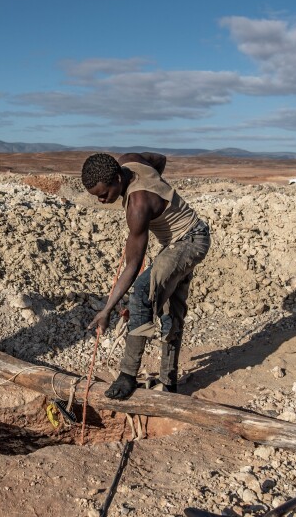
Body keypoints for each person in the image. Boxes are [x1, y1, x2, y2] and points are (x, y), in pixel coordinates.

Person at [81, 152, 210, 400]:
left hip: (189, 242)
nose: (101, 200)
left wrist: (107, 309)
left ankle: (127, 375)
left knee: (142, 292)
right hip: (188, 236)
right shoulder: (130, 160)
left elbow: (133, 266)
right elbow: (159, 159)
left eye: (104, 194)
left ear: (118, 178)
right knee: (171, 311)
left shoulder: (138, 206)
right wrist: (158, 187)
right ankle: (169, 384)